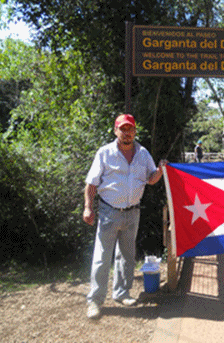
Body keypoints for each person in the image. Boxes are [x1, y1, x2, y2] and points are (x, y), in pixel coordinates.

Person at [83, 114, 167, 319]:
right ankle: (95, 301)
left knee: (127, 256)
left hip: (133, 212)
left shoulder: (143, 153)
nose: (127, 133)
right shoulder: (105, 153)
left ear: (135, 131)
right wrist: (88, 207)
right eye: (123, 129)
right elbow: (91, 184)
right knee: (102, 258)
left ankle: (121, 293)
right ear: (115, 131)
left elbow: (151, 179)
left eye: (130, 129)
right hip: (109, 212)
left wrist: (161, 170)